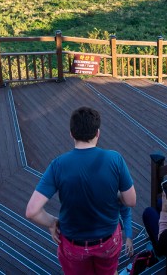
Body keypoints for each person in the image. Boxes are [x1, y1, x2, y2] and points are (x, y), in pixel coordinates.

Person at [26, 106, 136, 275]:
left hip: (74, 244)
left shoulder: (58, 165)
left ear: (72, 134)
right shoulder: (115, 159)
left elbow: (32, 211)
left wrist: (52, 222)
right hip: (107, 241)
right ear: (97, 133)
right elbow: (130, 201)